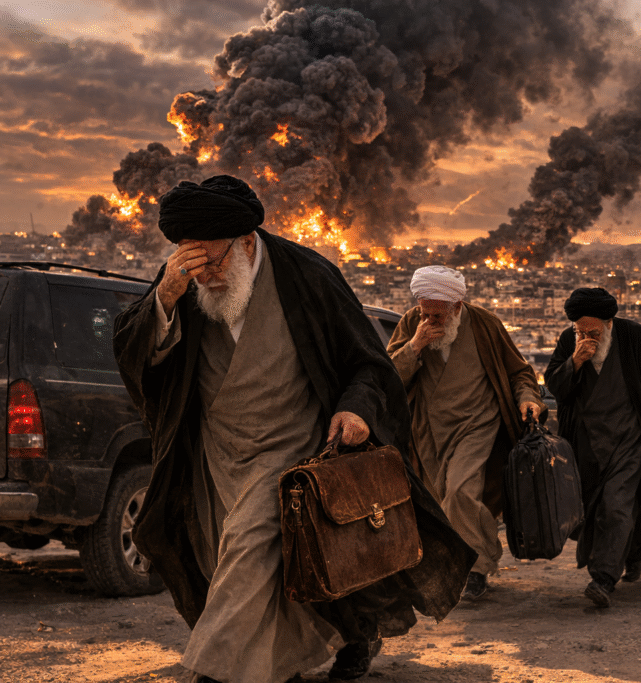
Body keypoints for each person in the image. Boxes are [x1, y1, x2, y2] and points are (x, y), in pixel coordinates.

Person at [113, 176, 474, 683]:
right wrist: (165, 300)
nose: (204, 277)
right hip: (215, 457)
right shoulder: (183, 281)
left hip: (291, 450)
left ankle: (214, 672)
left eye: (212, 263)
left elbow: (370, 364)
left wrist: (355, 409)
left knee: (248, 548)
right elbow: (134, 352)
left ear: (244, 243)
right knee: (247, 565)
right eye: (190, 266)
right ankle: (322, 646)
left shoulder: (308, 277)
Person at [387, 266, 545, 601]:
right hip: (429, 430)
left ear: (457, 307)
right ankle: (454, 566)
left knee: (460, 491)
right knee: (442, 501)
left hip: (478, 425)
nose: (431, 320)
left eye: (438, 314)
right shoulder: (411, 324)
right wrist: (414, 345)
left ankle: (476, 567)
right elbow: (388, 379)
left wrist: (529, 398)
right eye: (424, 312)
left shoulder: (485, 325)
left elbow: (519, 371)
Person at [544, 287, 641, 608]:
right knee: (593, 511)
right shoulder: (569, 342)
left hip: (630, 440)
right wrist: (575, 361)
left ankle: (603, 577)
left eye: (593, 331)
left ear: (609, 322)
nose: (587, 336)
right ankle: (633, 551)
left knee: (617, 505)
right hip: (586, 443)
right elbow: (554, 385)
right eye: (580, 331)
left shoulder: (633, 337)